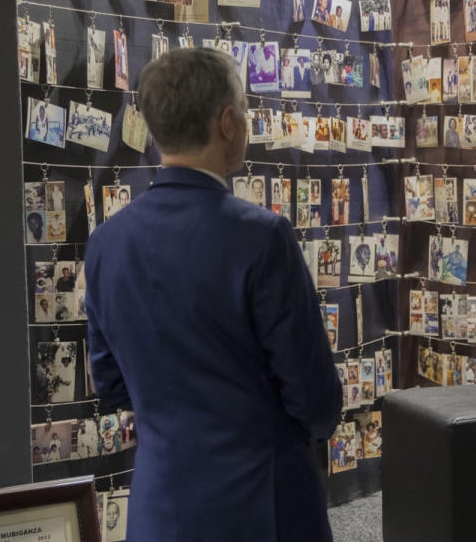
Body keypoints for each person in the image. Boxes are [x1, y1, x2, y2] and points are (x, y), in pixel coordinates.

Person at [84, 49, 341, 542]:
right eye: (244, 112)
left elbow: (112, 384)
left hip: (159, 510)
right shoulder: (262, 238)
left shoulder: (106, 244)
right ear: (227, 122)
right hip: (264, 510)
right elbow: (316, 400)